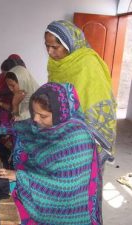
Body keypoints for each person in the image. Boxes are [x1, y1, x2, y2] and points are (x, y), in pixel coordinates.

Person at [0, 82, 102, 224]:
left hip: (62, 207)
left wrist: (20, 177)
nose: (36, 119)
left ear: (60, 114)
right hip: (34, 185)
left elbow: (66, 187)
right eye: (34, 112)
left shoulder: (78, 140)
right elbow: (21, 127)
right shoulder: (45, 124)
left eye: (42, 116)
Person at [44, 20, 117, 162]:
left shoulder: (88, 64)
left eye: (55, 47)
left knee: (83, 176)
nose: (50, 52)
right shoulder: (55, 64)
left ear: (69, 44)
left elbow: (97, 100)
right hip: (62, 130)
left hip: (85, 133)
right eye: (47, 46)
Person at [0, 65, 39, 168]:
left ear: (23, 81)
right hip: (19, 149)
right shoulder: (23, 99)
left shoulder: (38, 102)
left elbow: (18, 126)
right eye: (8, 86)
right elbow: (16, 119)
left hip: (31, 157)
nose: (11, 89)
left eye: (13, 85)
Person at [0, 54, 26, 126]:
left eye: (5, 74)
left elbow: (16, 110)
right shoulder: (6, 78)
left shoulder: (21, 85)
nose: (4, 76)